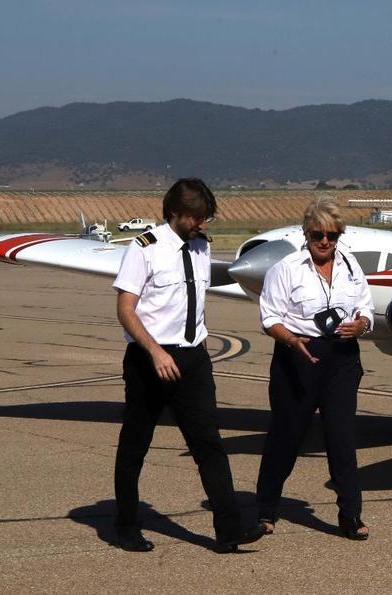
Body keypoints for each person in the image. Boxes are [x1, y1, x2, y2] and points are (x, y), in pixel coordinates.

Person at [111, 178, 267, 553]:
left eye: (206, 218)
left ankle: (229, 531)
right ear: (175, 213)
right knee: (135, 445)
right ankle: (126, 525)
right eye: (198, 218)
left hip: (193, 359)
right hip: (150, 359)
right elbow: (125, 309)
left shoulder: (200, 248)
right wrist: (155, 352)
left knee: (209, 445)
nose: (204, 224)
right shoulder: (144, 248)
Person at [255, 196, 374, 540]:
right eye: (317, 234)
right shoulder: (287, 269)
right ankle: (265, 508)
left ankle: (350, 514)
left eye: (332, 235)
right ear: (305, 234)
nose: (325, 241)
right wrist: (292, 341)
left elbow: (366, 307)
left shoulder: (350, 266)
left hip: (342, 357)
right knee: (287, 435)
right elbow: (270, 318)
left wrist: (361, 324)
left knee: (342, 438)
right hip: (299, 354)